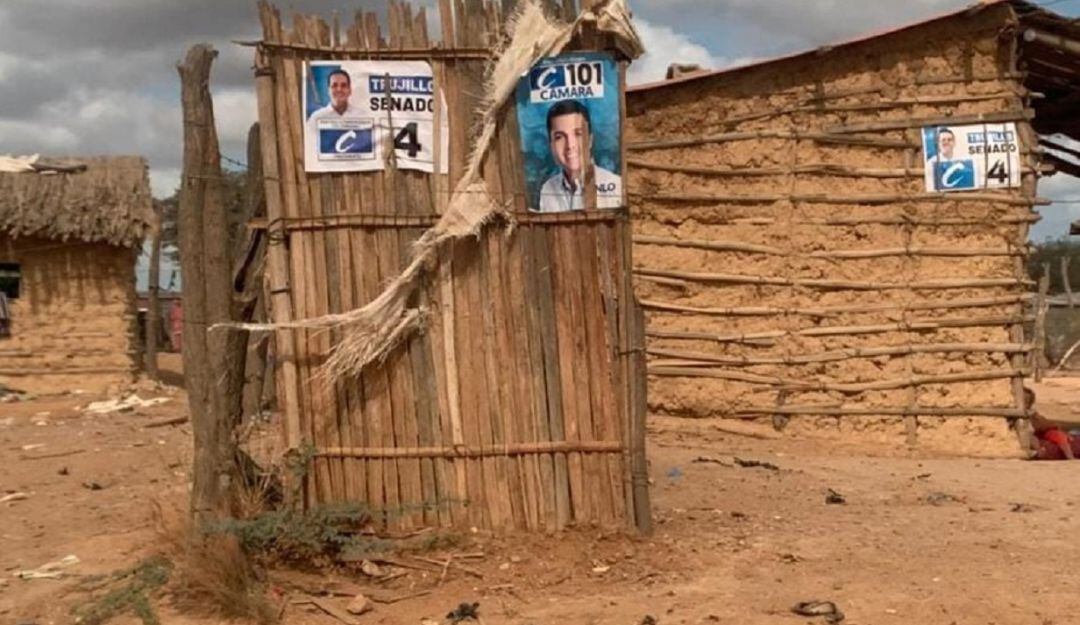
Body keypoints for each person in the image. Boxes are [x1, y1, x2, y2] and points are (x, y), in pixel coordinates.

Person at [536, 99, 621, 212]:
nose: (570, 145)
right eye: (559, 137)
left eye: (578, 134)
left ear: (590, 140)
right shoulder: (547, 189)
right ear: (551, 145)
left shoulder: (616, 186)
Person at [1025, 387, 1080, 460]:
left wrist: (1051, 425)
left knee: (1060, 436)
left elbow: (1042, 423)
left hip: (1044, 431)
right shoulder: (1023, 413)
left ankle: (1069, 456)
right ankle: (1039, 451)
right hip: (1034, 432)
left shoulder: (1032, 413)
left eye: (1027, 401)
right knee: (1031, 438)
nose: (1026, 403)